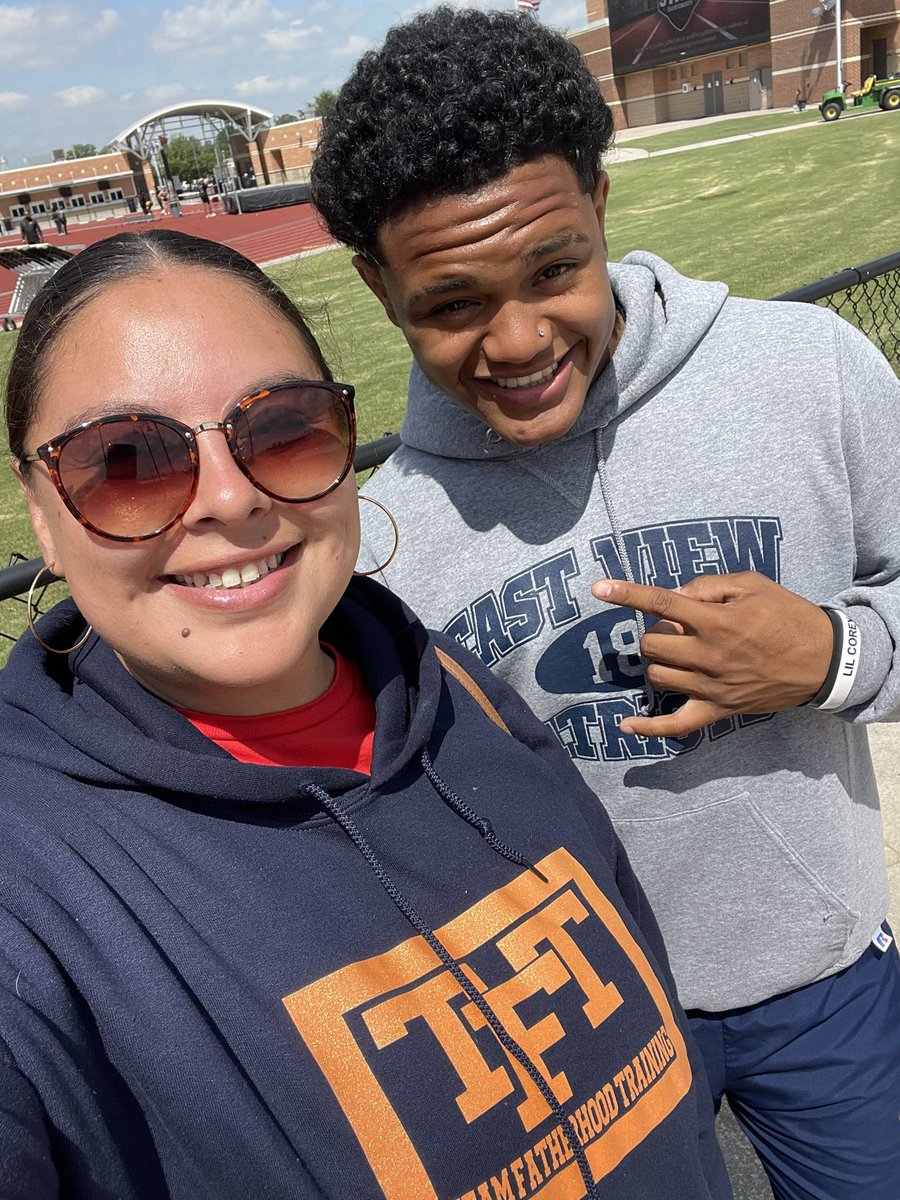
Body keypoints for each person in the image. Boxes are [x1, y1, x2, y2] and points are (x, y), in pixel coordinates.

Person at [0, 228, 731, 1199]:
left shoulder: (454, 687)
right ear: (41, 511)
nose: (230, 499)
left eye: (280, 427)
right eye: (126, 460)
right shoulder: (28, 893)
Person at [309, 8, 900, 1199]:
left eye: (554, 270)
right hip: (580, 1038)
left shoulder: (808, 371)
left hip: (827, 971)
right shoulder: (379, 547)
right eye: (452, 303)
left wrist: (836, 656)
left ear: (598, 199)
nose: (519, 340)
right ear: (379, 286)